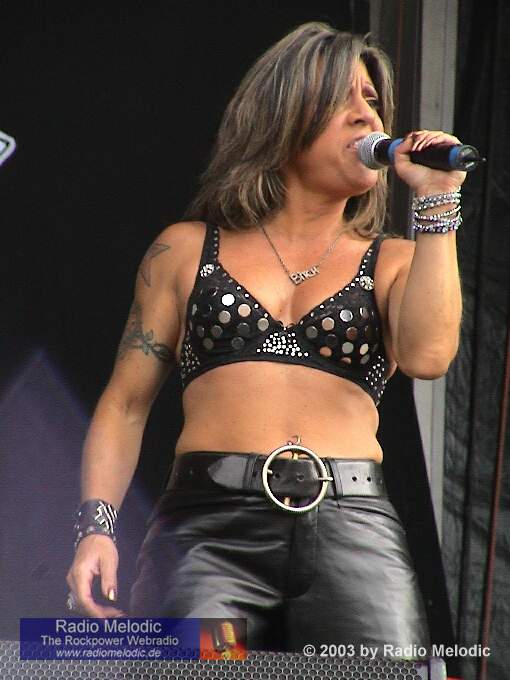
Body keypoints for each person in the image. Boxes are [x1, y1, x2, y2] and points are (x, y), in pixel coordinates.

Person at [66, 22, 464, 655]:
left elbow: (428, 356)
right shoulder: (185, 250)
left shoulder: (394, 261)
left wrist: (437, 201)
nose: (367, 116)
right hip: (206, 532)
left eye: (372, 100)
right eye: (342, 98)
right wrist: (96, 528)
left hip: (354, 529)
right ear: (284, 113)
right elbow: (126, 403)